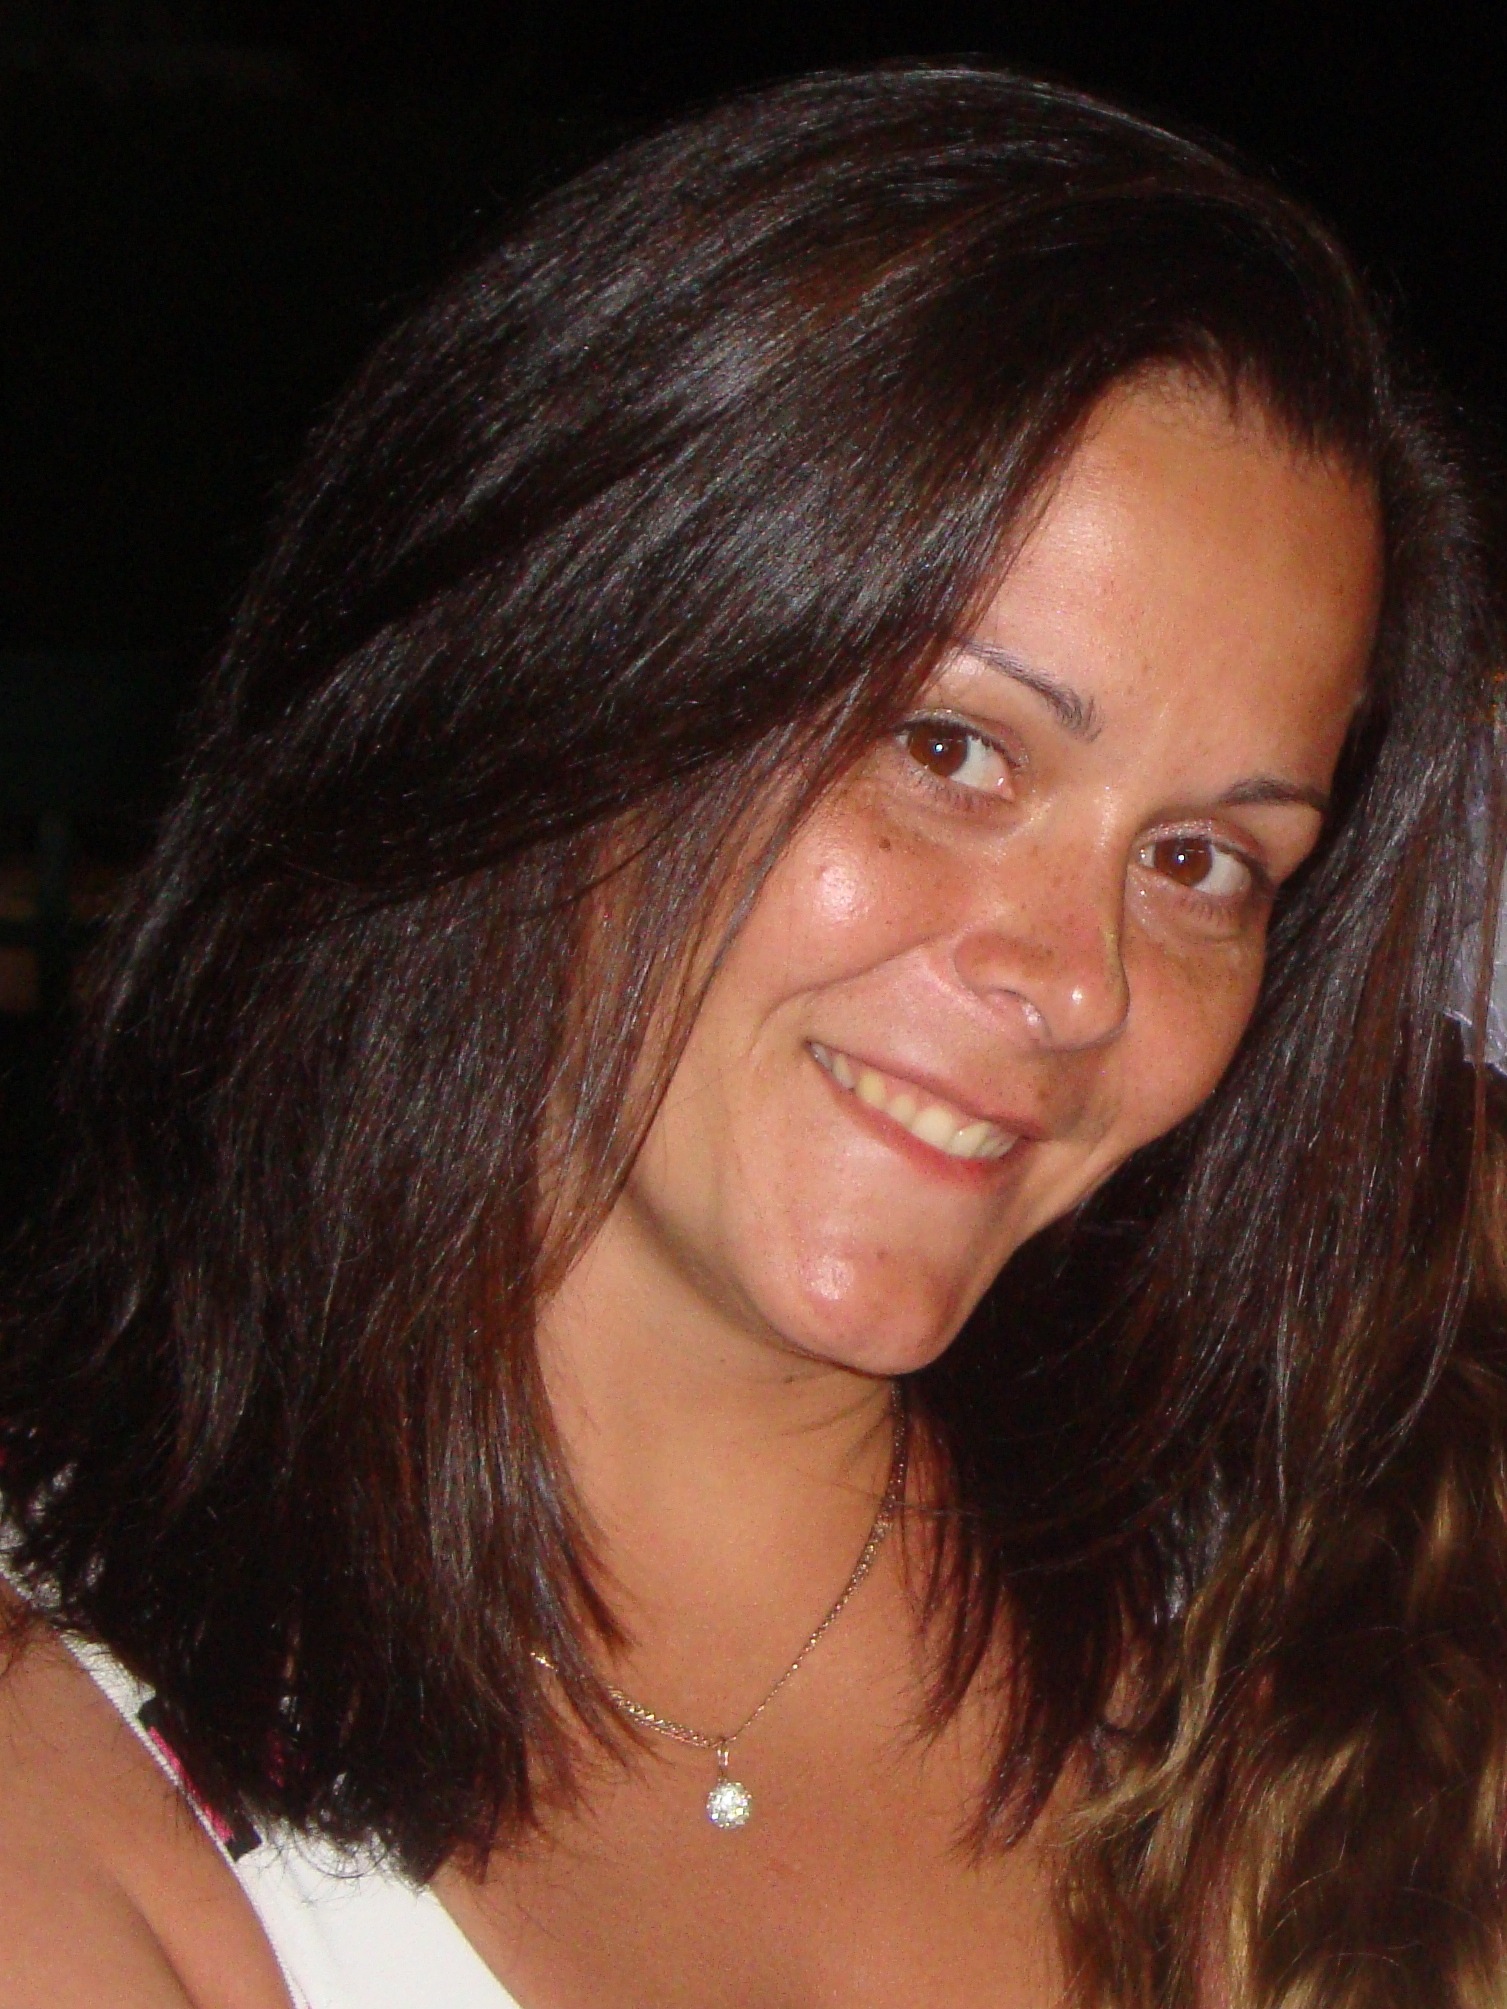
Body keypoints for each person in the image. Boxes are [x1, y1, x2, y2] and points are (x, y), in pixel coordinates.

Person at [0, 61, 1503, 2009]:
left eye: (1202, 860)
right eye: (949, 748)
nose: (1083, 983)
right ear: (549, 676)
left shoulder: (1333, 1678)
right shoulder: (78, 1796)